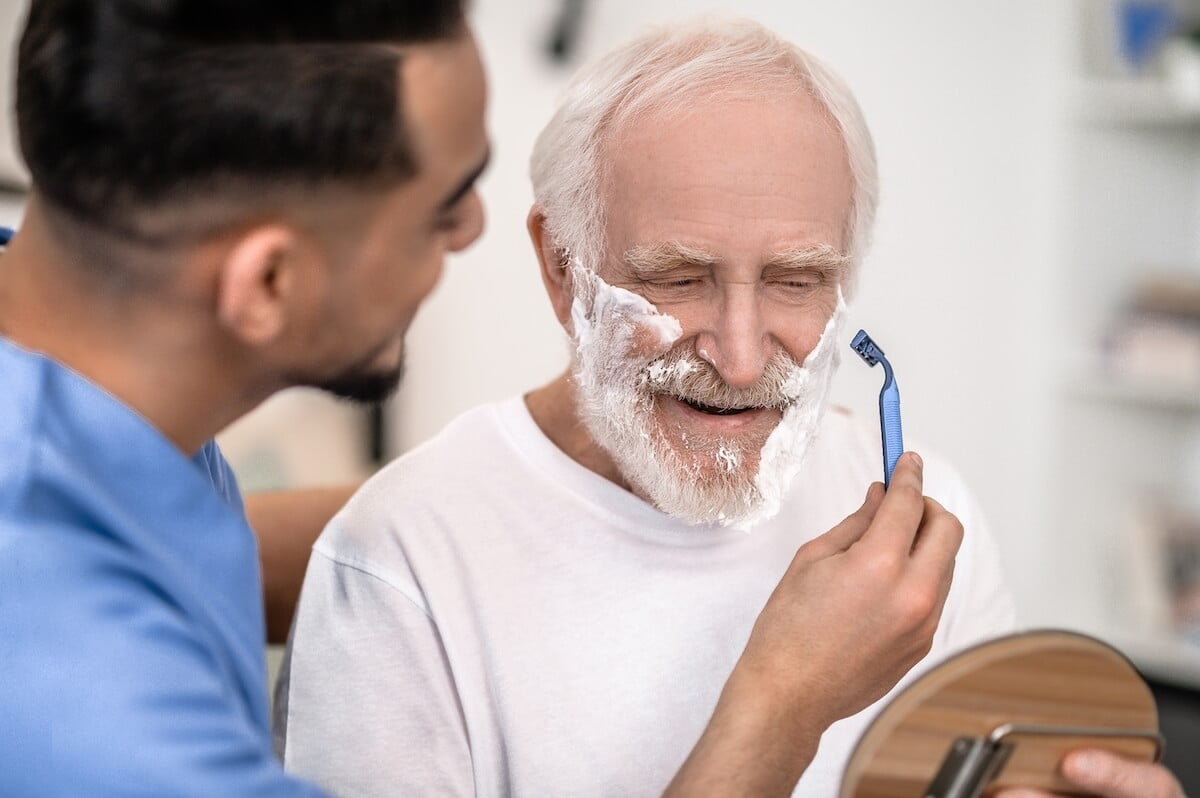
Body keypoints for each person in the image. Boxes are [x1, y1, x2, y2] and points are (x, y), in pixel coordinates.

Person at [275, 18, 1188, 798]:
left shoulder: (918, 527)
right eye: (678, 277)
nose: (744, 359)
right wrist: (781, 704)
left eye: (797, 281)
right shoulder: (399, 566)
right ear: (561, 268)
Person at [0, 1, 488, 794]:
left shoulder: (72, 357)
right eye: (441, 209)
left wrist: (521, 489)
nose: (472, 227)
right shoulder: (120, 741)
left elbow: (153, 541)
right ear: (267, 282)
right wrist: (766, 687)